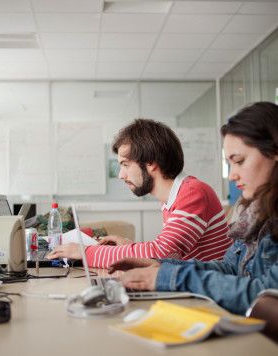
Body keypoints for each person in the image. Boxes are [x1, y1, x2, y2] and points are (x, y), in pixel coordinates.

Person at [108, 102, 278, 315]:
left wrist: (169, 276)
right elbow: (230, 268)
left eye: (240, 161)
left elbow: (266, 296)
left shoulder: (193, 192)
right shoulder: (254, 214)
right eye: (229, 164)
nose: (233, 175)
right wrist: (160, 266)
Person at [48, 119, 231, 267]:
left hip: (210, 294)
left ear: (150, 162)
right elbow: (170, 252)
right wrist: (129, 246)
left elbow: (163, 253)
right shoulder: (171, 198)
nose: (121, 175)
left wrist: (85, 253)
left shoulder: (192, 193)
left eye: (126, 165)